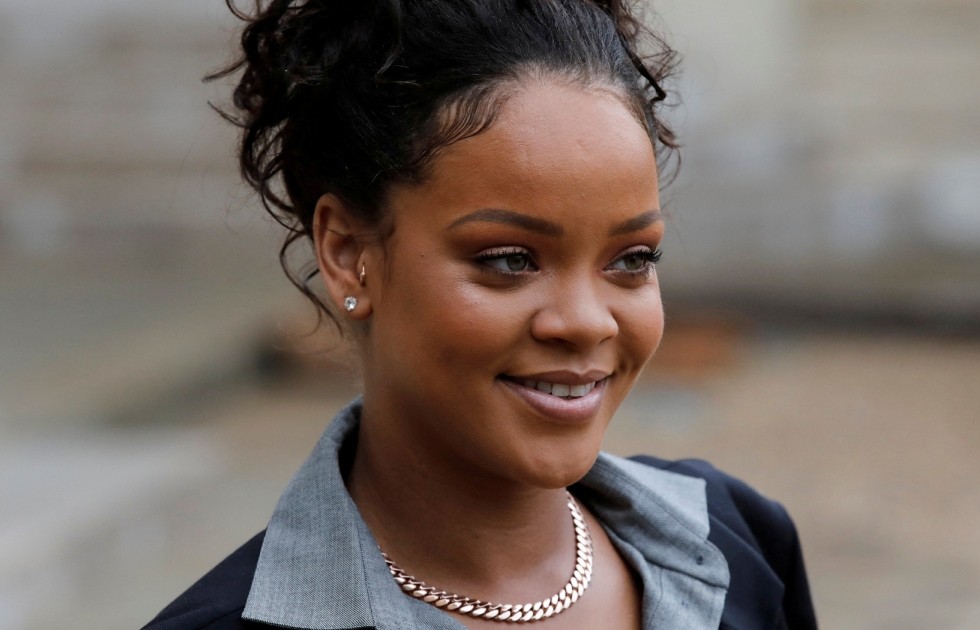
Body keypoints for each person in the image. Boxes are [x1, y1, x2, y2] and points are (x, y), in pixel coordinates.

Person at [145, 0, 817, 628]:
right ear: (348, 254)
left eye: (632, 259)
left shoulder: (738, 543)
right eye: (510, 259)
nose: (588, 322)